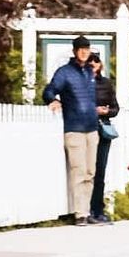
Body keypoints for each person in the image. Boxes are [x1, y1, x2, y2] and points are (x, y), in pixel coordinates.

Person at [42, 35, 103, 225]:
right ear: (75, 51)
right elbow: (50, 89)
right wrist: (52, 100)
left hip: (91, 128)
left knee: (91, 171)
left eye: (87, 49)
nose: (84, 52)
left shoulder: (89, 73)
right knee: (79, 171)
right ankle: (80, 213)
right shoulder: (65, 72)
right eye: (81, 49)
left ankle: (88, 209)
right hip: (74, 127)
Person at [87, 54, 120, 222]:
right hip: (85, 127)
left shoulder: (106, 83)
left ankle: (98, 209)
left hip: (102, 127)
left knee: (100, 170)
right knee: (87, 170)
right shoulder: (82, 82)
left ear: (100, 65)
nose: (93, 64)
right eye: (90, 61)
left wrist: (107, 111)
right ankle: (85, 209)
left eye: (96, 61)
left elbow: (115, 108)